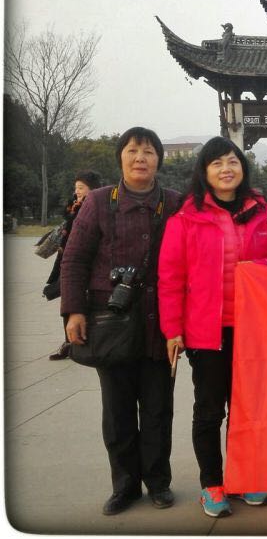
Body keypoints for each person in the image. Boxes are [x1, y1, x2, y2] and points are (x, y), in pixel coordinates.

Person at [61, 127, 181, 515]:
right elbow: (74, 259)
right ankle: (125, 486)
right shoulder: (99, 202)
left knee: (158, 410)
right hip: (110, 323)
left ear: (159, 159)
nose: (140, 158)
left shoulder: (174, 203)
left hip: (160, 325)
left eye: (148, 151)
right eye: (132, 151)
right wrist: (74, 310)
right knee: (117, 413)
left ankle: (158, 482)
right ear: (121, 158)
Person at [158, 136, 267, 518]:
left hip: (252, 328)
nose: (226, 169)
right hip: (206, 331)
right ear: (205, 172)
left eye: (233, 161)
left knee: (247, 411)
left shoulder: (259, 212)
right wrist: (172, 330)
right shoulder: (185, 218)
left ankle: (243, 478)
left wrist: (264, 266)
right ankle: (212, 484)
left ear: (243, 168)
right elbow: (170, 278)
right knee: (210, 410)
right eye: (217, 163)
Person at [45, 170, 102, 360]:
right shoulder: (74, 205)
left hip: (87, 263)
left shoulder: (96, 207)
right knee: (68, 298)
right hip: (67, 259)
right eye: (76, 187)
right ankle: (69, 342)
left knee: (80, 300)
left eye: (81, 188)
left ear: (92, 190)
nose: (77, 191)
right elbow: (67, 222)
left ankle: (78, 340)